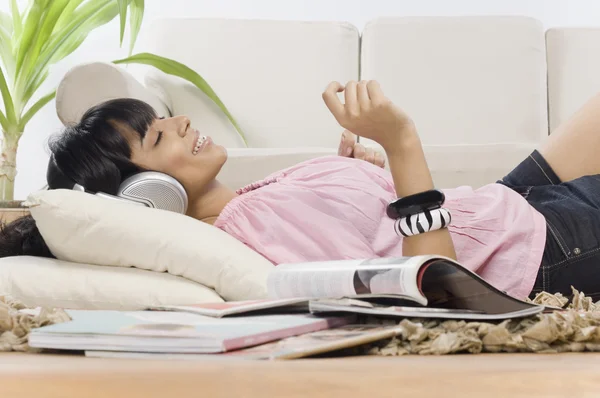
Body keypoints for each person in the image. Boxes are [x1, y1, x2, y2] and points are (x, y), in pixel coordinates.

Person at [2, 80, 600, 301]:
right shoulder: (253, 229)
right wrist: (401, 144)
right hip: (538, 252)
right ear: (149, 194)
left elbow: (374, 232)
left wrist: (367, 179)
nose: (181, 122)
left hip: (503, 208)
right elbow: (437, 283)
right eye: (159, 136)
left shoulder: (250, 202)